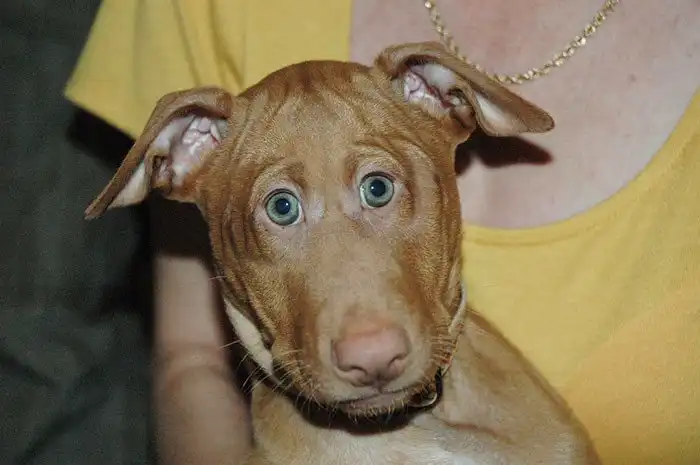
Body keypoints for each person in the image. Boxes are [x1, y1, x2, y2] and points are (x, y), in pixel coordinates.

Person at [65, 0, 700, 463]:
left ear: (449, 102)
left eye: (377, 188)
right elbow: (190, 359)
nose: (368, 349)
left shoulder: (541, 433)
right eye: (281, 208)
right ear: (180, 159)